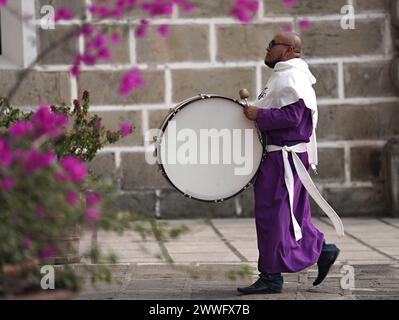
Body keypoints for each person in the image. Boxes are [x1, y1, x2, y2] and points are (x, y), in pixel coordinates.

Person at [238, 32, 344, 295]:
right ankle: (322, 251)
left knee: (272, 216)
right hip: (282, 157)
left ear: (288, 50)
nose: (267, 47)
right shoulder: (286, 73)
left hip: (283, 158)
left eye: (272, 44)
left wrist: (258, 114)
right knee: (288, 215)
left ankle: (271, 277)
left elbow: (293, 116)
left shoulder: (291, 75)